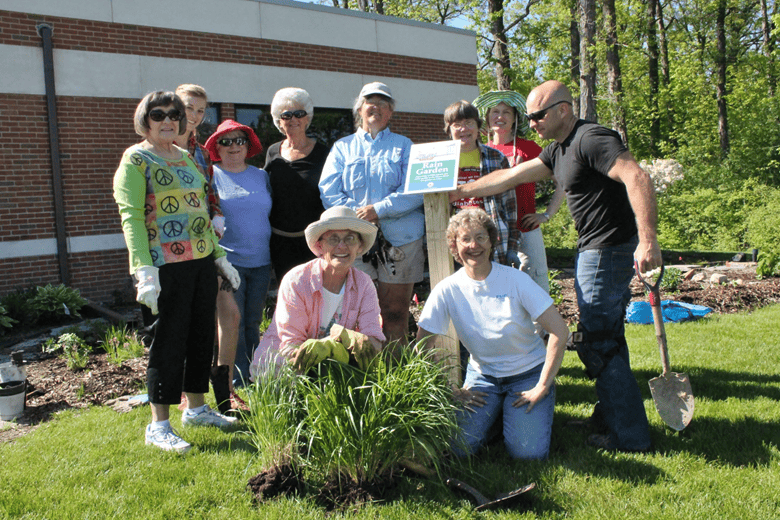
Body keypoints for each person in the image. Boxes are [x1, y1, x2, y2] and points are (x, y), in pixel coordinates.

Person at [451, 80, 662, 452]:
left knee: (597, 343)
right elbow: (510, 176)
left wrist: (648, 240)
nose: (531, 123)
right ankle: (611, 418)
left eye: (537, 115)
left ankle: (629, 437)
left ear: (563, 110)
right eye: (529, 117)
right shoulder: (558, 150)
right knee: (608, 336)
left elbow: (637, 176)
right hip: (594, 250)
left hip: (607, 250)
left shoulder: (591, 138)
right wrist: (463, 192)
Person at [113, 91, 240, 453]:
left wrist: (219, 257)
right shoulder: (136, 160)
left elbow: (200, 213)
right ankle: (159, 424)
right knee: (167, 342)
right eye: (158, 115)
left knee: (201, 336)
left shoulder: (186, 158)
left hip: (200, 261)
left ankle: (197, 409)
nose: (167, 121)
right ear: (145, 120)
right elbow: (132, 218)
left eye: (173, 114)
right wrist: (143, 271)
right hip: (164, 266)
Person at [416, 208, 569, 460]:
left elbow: (559, 332)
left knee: (527, 455)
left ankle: (521, 410)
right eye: (465, 239)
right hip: (483, 377)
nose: (473, 245)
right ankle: (498, 415)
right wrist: (450, 389)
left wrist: (542, 385)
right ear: (454, 246)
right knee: (458, 449)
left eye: (480, 237)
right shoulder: (447, 289)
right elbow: (422, 345)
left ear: (492, 241)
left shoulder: (515, 280)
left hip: (527, 374)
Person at [319, 82, 424, 345]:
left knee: (395, 312)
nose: (376, 107)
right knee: (352, 312)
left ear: (390, 113)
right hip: (352, 240)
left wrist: (378, 210)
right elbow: (328, 189)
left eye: (384, 103)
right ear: (359, 109)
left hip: (400, 241)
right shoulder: (343, 147)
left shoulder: (404, 146)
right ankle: (360, 372)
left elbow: (416, 189)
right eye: (370, 101)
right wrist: (356, 216)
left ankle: (396, 372)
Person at [173, 83, 243, 414]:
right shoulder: (160, 149)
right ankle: (191, 391)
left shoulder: (202, 153)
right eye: (189, 108)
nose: (195, 116)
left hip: (208, 246)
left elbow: (210, 196)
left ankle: (224, 386)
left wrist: (216, 218)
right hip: (176, 251)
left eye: (201, 110)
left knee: (230, 315)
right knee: (191, 322)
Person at [250, 206, 385, 376]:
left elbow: (374, 343)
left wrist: (361, 342)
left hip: (333, 369)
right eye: (333, 239)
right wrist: (335, 344)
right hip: (282, 368)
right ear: (320, 246)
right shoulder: (297, 280)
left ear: (359, 246)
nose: (342, 246)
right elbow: (291, 347)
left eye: (350, 239)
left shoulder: (364, 284)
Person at [473, 90, 564, 292]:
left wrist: (547, 214)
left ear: (515, 119)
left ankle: (540, 325)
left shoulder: (528, 148)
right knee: (496, 285)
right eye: (495, 111)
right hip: (491, 231)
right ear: (487, 119)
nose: (500, 116)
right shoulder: (480, 152)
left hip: (526, 228)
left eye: (506, 112)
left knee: (535, 286)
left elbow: (562, 181)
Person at [204, 120, 272, 389]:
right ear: (216, 148)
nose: (234, 146)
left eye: (239, 140)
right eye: (226, 141)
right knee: (233, 321)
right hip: (228, 262)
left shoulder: (261, 175)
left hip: (261, 261)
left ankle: (254, 373)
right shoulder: (212, 175)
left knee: (253, 321)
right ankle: (235, 379)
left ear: (248, 146)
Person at [265, 87, 329, 281]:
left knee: (315, 295)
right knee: (287, 296)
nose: (293, 119)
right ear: (279, 121)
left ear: (307, 118)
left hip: (314, 242)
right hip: (279, 242)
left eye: (299, 113)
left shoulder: (323, 153)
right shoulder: (272, 152)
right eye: (286, 115)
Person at [445, 100, 518, 266]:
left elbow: (510, 206)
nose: (463, 129)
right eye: (457, 125)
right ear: (449, 130)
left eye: (469, 123)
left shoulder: (497, 158)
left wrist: (513, 246)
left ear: (478, 127)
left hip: (491, 240)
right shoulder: (438, 160)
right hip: (453, 243)